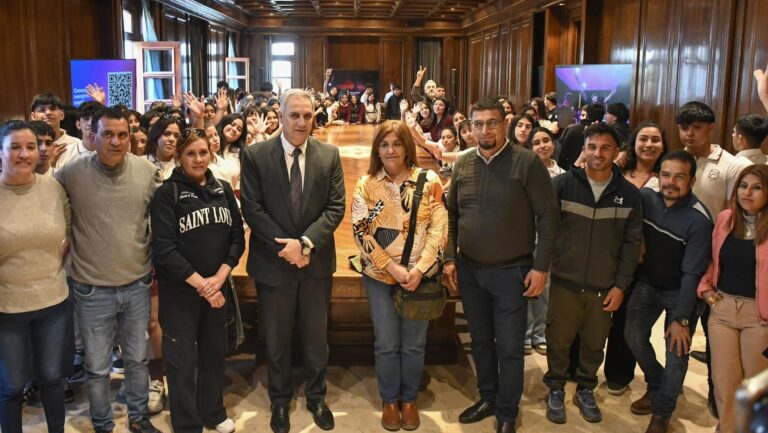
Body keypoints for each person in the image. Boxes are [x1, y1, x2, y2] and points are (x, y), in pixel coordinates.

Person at [445, 98, 559, 433]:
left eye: (491, 123)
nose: (484, 130)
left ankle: (507, 411)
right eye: (478, 124)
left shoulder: (526, 163)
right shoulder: (464, 164)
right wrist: (450, 257)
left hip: (512, 271)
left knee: (509, 347)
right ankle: (488, 397)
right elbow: (451, 214)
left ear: (503, 124)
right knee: (480, 340)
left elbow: (549, 217)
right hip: (470, 269)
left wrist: (540, 268)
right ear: (470, 128)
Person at [240, 89, 345, 433]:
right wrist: (286, 248)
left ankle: (317, 396)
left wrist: (306, 244)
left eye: (308, 116)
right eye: (294, 115)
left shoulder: (329, 155)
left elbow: (335, 207)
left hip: (314, 263)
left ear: (315, 118)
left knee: (317, 338)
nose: (301, 122)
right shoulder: (255, 155)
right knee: (277, 338)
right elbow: (253, 209)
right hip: (274, 263)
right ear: (281, 117)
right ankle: (280, 400)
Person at [54, 107, 162, 433]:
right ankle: (102, 424)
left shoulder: (146, 172)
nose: (115, 141)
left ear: (130, 137)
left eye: (122, 135)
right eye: (107, 135)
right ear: (92, 136)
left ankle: (139, 418)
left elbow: (160, 219)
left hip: (137, 283)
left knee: (137, 360)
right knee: (98, 367)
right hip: (91, 287)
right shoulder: (71, 174)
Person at [351, 120, 447, 431]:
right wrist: (391, 267)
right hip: (380, 275)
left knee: (414, 344)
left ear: (408, 147)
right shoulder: (367, 184)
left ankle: (410, 399)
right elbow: (361, 232)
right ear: (376, 149)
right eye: (384, 144)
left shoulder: (428, 179)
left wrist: (419, 269)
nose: (390, 150)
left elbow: (439, 229)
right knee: (387, 342)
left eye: (396, 144)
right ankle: (390, 400)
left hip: (420, 275)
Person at [544, 123, 642, 425]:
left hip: (604, 286)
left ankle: (586, 387)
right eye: (592, 147)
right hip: (564, 283)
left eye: (605, 148)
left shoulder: (628, 194)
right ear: (583, 150)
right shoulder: (562, 186)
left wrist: (621, 286)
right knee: (558, 340)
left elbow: (631, 244)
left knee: (594, 343)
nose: (598, 153)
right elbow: (545, 231)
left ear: (616, 152)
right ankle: (556, 387)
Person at [150, 129, 245, 433]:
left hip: (217, 288)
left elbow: (236, 238)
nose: (198, 159)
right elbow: (165, 249)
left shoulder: (222, 189)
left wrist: (219, 278)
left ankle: (213, 413)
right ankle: (187, 423)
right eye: (191, 153)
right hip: (181, 291)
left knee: (214, 353)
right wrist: (202, 285)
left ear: (211, 154)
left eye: (203, 152)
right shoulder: (167, 194)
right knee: (181, 360)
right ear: (178, 157)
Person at [622, 150, 712, 433]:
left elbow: (691, 275)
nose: (670, 182)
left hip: (680, 292)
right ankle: (656, 382)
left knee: (677, 352)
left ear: (692, 181)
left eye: (679, 176)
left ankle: (662, 411)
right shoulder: (647, 199)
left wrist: (682, 319)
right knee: (633, 335)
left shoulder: (699, 221)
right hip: (648, 282)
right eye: (665, 174)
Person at [677, 101, 749, 414]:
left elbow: (738, 213)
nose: (688, 133)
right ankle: (667, 389)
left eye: (695, 127)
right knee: (677, 328)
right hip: (676, 260)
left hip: (714, 267)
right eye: (683, 127)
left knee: (713, 334)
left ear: (710, 128)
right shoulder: (676, 160)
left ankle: (716, 393)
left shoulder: (731, 165)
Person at [0, 120, 70, 433]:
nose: (25, 154)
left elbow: (66, 232)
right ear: (1, 152)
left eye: (31, 146)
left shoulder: (52, 187)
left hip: (53, 300)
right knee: (13, 384)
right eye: (15, 147)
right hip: (7, 307)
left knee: (53, 377)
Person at [698, 164, 768, 433]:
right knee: (725, 384)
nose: (747, 192)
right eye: (743, 185)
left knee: (755, 388)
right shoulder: (726, 219)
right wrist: (706, 291)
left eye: (756, 187)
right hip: (723, 311)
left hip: (759, 317)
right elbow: (713, 261)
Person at [29, 93, 82, 170]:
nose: (48, 113)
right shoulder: (27, 145)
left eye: (53, 109)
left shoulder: (77, 144)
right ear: (33, 116)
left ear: (62, 115)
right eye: (42, 110)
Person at [622, 122, 668, 191]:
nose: (649, 145)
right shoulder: (618, 174)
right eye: (643, 139)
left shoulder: (667, 181)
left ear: (662, 147)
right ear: (634, 145)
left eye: (655, 140)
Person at [557, 103, 605, 169]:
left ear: (587, 115)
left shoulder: (573, 129)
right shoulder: (605, 134)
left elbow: (563, 153)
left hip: (571, 170)